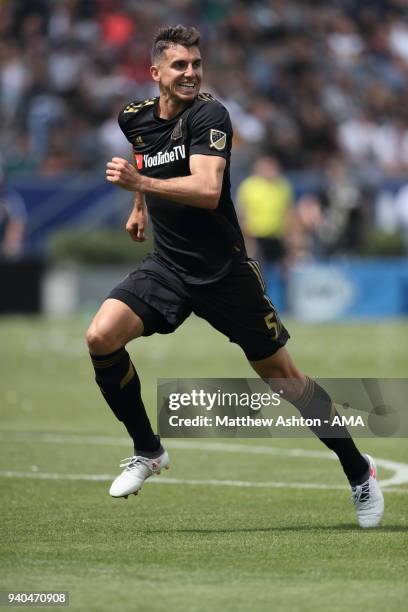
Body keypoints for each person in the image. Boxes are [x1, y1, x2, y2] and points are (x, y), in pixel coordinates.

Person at [86, 25, 383, 527]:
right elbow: (144, 152)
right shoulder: (133, 117)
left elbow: (206, 189)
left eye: (197, 64)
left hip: (225, 272)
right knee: (100, 336)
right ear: (155, 72)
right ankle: (148, 450)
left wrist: (139, 183)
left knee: (285, 379)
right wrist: (139, 205)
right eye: (180, 65)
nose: (191, 73)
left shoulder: (210, 115)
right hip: (168, 267)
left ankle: (359, 472)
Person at [236, 155, 293, 266]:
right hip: (255, 235)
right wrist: (246, 235)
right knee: (256, 266)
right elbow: (241, 212)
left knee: (278, 268)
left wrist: (288, 234)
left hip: (277, 236)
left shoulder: (283, 185)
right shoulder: (249, 186)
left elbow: (288, 211)